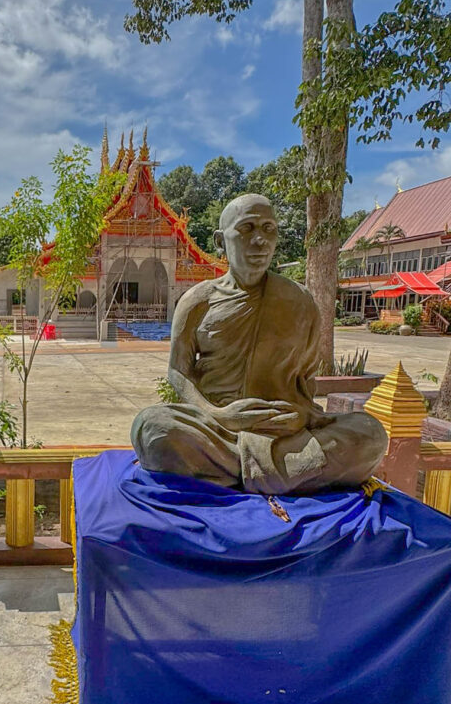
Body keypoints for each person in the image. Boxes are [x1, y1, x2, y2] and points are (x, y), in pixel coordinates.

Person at [131, 193, 387, 495]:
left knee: (371, 434)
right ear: (219, 241)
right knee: (153, 429)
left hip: (286, 434)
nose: (260, 241)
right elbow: (178, 372)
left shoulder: (300, 301)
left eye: (268, 229)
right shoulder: (198, 301)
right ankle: (281, 474)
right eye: (247, 229)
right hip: (219, 429)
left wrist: (302, 416)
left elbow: (305, 381)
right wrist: (219, 414)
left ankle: (239, 473)